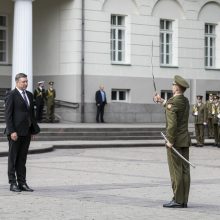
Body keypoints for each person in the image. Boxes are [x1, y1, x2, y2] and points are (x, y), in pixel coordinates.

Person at [154, 75, 191, 208]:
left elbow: (172, 124)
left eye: (173, 84)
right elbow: (173, 107)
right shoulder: (185, 101)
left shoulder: (173, 102)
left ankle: (178, 200)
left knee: (176, 171)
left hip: (175, 141)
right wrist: (162, 101)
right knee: (185, 170)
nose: (172, 86)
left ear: (176, 87)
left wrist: (170, 140)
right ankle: (184, 199)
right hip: (185, 139)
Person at [5, 73, 40, 192]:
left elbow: (31, 115)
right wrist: (12, 131)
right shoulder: (11, 95)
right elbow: (8, 115)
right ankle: (12, 183)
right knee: (13, 158)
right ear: (17, 82)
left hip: (27, 132)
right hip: (15, 133)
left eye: (26, 81)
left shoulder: (29, 95)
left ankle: (22, 182)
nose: (25, 83)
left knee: (22, 159)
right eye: (23, 81)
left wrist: (33, 130)